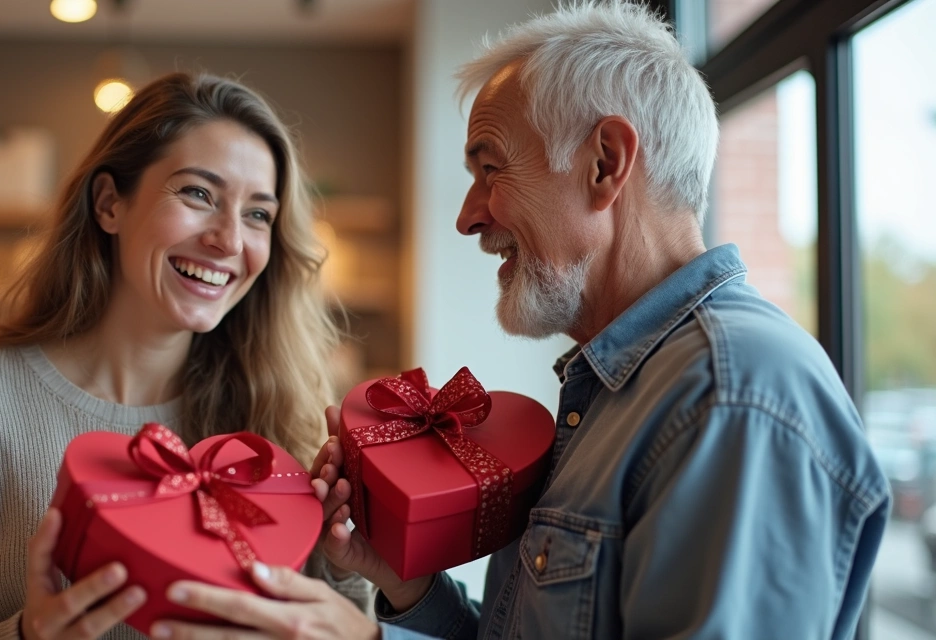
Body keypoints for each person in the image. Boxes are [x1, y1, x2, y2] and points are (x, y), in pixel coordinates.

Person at [150, 3, 892, 639]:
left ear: (606, 162)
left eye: (491, 167)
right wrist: (400, 585)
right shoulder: (613, 390)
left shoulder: (730, 396)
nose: (469, 216)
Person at [0, 72, 372, 640]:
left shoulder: (280, 430)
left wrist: (346, 571)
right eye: (198, 194)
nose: (230, 240)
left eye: (258, 214)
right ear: (109, 204)